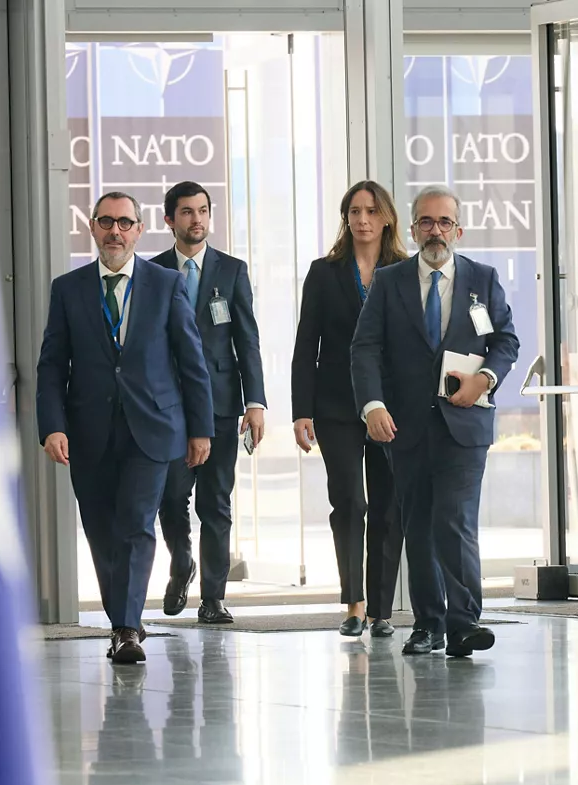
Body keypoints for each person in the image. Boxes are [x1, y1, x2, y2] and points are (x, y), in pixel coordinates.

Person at [37, 191, 214, 664]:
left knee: (136, 525)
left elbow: (191, 361)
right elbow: (52, 365)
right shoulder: (68, 288)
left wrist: (201, 429)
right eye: (106, 222)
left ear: (139, 230)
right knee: (100, 529)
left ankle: (126, 628)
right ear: (92, 228)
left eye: (124, 223)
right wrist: (51, 426)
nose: (115, 231)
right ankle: (122, 619)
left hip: (153, 428)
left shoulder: (164, 284)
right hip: (88, 430)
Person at [350, 184, 520, 657]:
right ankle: (429, 623)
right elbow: (364, 348)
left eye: (444, 222)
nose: (435, 230)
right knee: (419, 524)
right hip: (404, 427)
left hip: (465, 424)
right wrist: (373, 406)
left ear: (458, 230)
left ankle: (464, 622)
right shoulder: (390, 282)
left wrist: (484, 378)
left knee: (456, 519)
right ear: (412, 229)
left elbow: (506, 340)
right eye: (426, 221)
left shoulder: (483, 280)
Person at [291, 180, 408, 637]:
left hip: (390, 406)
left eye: (370, 211)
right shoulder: (324, 272)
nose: (361, 219)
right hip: (336, 406)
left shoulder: (403, 270)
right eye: (353, 212)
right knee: (349, 502)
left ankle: (382, 611)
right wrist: (302, 411)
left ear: (386, 219)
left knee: (387, 506)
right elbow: (306, 347)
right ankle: (354, 604)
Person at [152, 181, 266, 625]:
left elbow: (247, 341)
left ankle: (213, 598)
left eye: (202, 211)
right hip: (169, 406)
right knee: (170, 495)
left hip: (221, 403)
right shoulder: (154, 271)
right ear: (169, 220)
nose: (196, 219)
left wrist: (255, 401)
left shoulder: (231, 271)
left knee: (216, 501)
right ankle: (182, 563)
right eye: (185, 212)